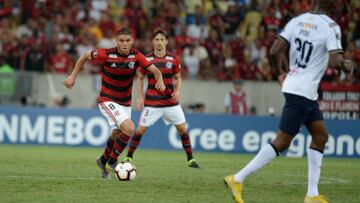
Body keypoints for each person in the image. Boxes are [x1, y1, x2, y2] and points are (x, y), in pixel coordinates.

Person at [224, 1, 353, 203]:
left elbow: (274, 51)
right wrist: (347, 65)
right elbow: (335, 62)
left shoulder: (297, 21)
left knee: (321, 136)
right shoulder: (331, 26)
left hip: (300, 89)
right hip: (302, 92)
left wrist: (280, 74)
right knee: (282, 142)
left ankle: (311, 195)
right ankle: (237, 178)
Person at [63, 27, 166, 179]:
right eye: (121, 41)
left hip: (125, 102)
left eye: (127, 41)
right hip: (107, 99)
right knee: (129, 128)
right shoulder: (106, 54)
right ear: (116, 41)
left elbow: (155, 70)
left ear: (132, 42)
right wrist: (73, 76)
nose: (124, 44)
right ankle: (113, 161)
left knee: (118, 133)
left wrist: (160, 80)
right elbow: (85, 55)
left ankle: (103, 160)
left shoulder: (136, 56)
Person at [124, 28, 200, 168]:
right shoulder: (147, 59)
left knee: (182, 129)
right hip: (152, 102)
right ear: (153, 42)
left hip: (171, 102)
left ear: (166, 42)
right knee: (140, 130)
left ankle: (191, 159)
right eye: (157, 39)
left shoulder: (174, 59)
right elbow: (140, 78)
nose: (159, 42)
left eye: (162, 39)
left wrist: (177, 91)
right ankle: (129, 157)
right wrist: (140, 96)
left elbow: (178, 77)